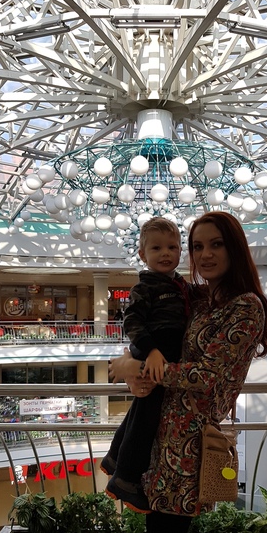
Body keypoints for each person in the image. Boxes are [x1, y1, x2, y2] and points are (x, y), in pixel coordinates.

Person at [109, 211, 267, 533]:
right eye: (197, 246)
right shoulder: (199, 298)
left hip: (190, 447)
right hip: (160, 439)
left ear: (234, 248)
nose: (204, 255)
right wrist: (138, 367)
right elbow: (153, 328)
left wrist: (139, 366)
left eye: (214, 245)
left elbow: (211, 378)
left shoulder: (245, 308)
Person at [103, 217, 189, 512]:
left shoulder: (180, 284)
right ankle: (125, 478)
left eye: (172, 247)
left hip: (164, 351)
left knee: (142, 409)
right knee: (147, 418)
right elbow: (132, 322)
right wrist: (150, 351)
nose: (165, 253)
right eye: (156, 248)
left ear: (180, 251)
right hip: (155, 348)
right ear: (142, 254)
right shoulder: (146, 286)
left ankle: (115, 457)